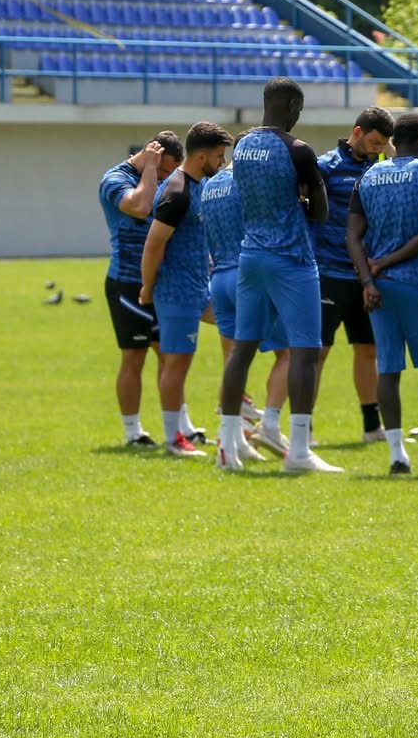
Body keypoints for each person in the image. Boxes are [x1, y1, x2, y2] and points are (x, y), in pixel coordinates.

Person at [216, 78, 333, 473]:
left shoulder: (243, 146)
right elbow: (320, 211)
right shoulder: (298, 149)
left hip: (250, 255)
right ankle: (298, 451)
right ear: (291, 106)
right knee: (305, 351)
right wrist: (303, 197)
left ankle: (228, 447)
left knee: (242, 350)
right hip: (292, 257)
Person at [346, 114, 418, 476]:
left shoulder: (367, 177)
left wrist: (368, 279)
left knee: (388, 369)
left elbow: (352, 236)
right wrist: (385, 263)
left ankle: (397, 456)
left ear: (394, 140)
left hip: (378, 290)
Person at [137, 122, 235, 456]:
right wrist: (148, 288)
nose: (222, 162)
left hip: (200, 287)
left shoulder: (200, 185)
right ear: (202, 156)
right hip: (176, 292)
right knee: (177, 363)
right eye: (219, 156)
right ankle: (173, 438)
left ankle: (234, 412)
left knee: (238, 332)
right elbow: (153, 246)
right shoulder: (177, 192)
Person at [314, 107, 395, 443]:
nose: (377, 149)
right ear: (357, 132)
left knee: (367, 349)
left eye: (383, 144)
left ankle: (371, 426)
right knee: (317, 351)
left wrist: (390, 154)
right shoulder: (326, 166)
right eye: (374, 142)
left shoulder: (381, 168)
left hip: (366, 275)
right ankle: (304, 427)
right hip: (328, 271)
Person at [98, 131, 181, 446]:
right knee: (134, 357)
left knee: (171, 355)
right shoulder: (114, 179)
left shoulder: (163, 177)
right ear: (150, 155)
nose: (164, 178)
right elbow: (141, 207)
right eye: (163, 170)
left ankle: (181, 428)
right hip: (127, 282)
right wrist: (150, 169)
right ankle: (133, 432)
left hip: (161, 281)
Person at [198, 159, 284, 458]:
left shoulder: (211, 185)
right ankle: (269, 426)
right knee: (290, 352)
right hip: (247, 275)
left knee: (233, 359)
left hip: (219, 276)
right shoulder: (250, 182)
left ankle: (230, 440)